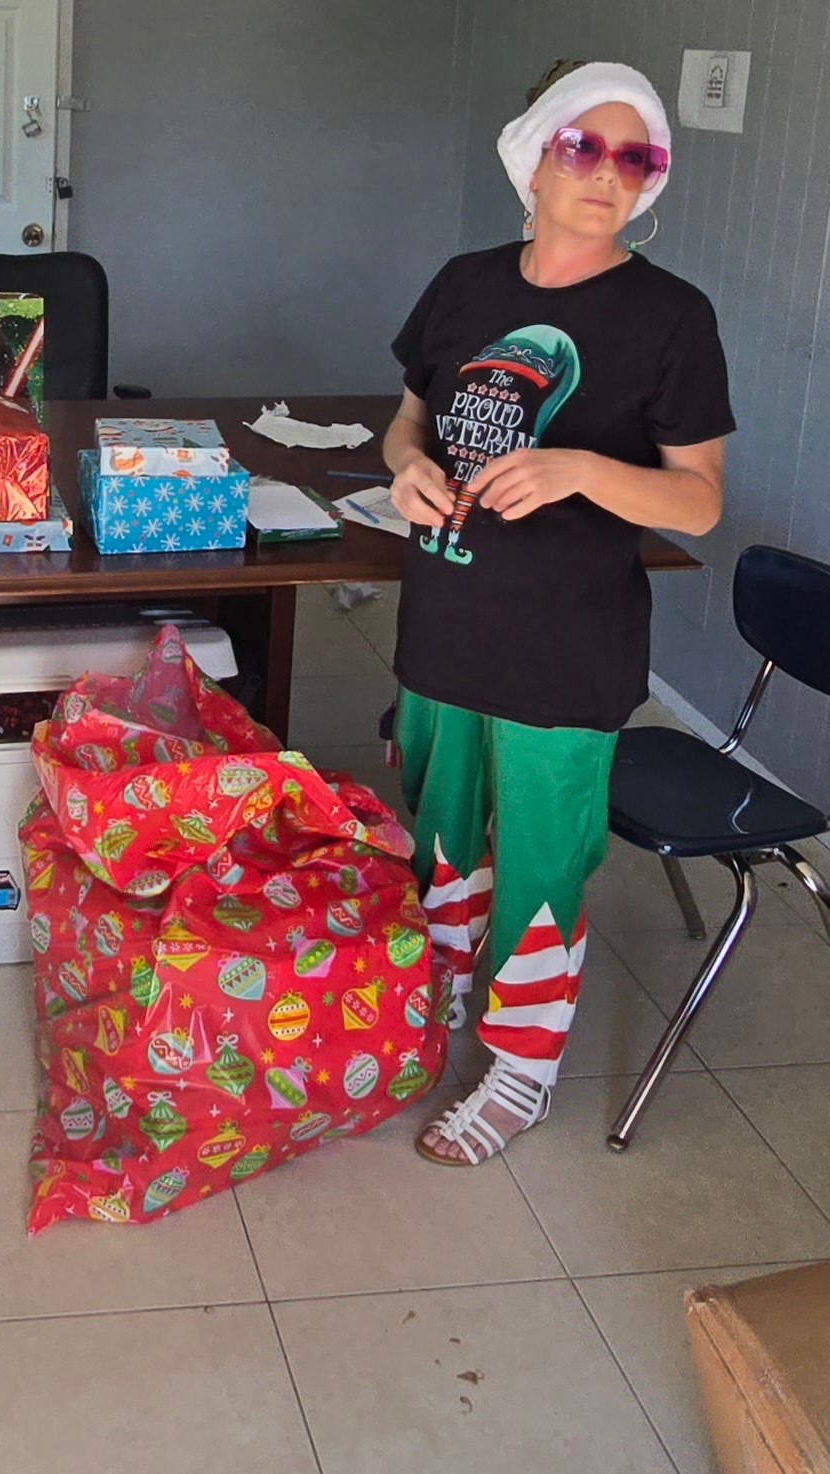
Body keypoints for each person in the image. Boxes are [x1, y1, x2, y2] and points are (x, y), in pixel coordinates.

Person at [382, 61, 734, 1165]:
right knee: (442, 831)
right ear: (533, 157)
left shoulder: (672, 318)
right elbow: (408, 423)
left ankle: (522, 1071)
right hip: (445, 622)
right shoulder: (465, 284)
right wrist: (404, 470)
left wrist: (581, 468)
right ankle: (445, 990)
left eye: (638, 157)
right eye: (585, 146)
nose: (609, 174)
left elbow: (700, 501)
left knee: (541, 860)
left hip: (567, 649)